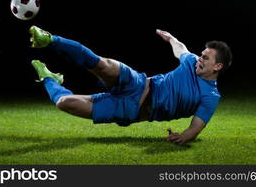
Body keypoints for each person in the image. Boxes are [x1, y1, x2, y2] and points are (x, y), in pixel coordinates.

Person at [29, 26, 232, 145]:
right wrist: (171, 38)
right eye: (201, 55)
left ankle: (50, 79)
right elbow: (181, 49)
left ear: (218, 66)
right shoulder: (191, 62)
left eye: (205, 58)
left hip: (131, 110)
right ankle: (49, 39)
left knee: (64, 103)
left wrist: (183, 137)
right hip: (139, 84)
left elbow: (196, 127)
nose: (199, 59)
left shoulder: (210, 97)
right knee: (103, 64)